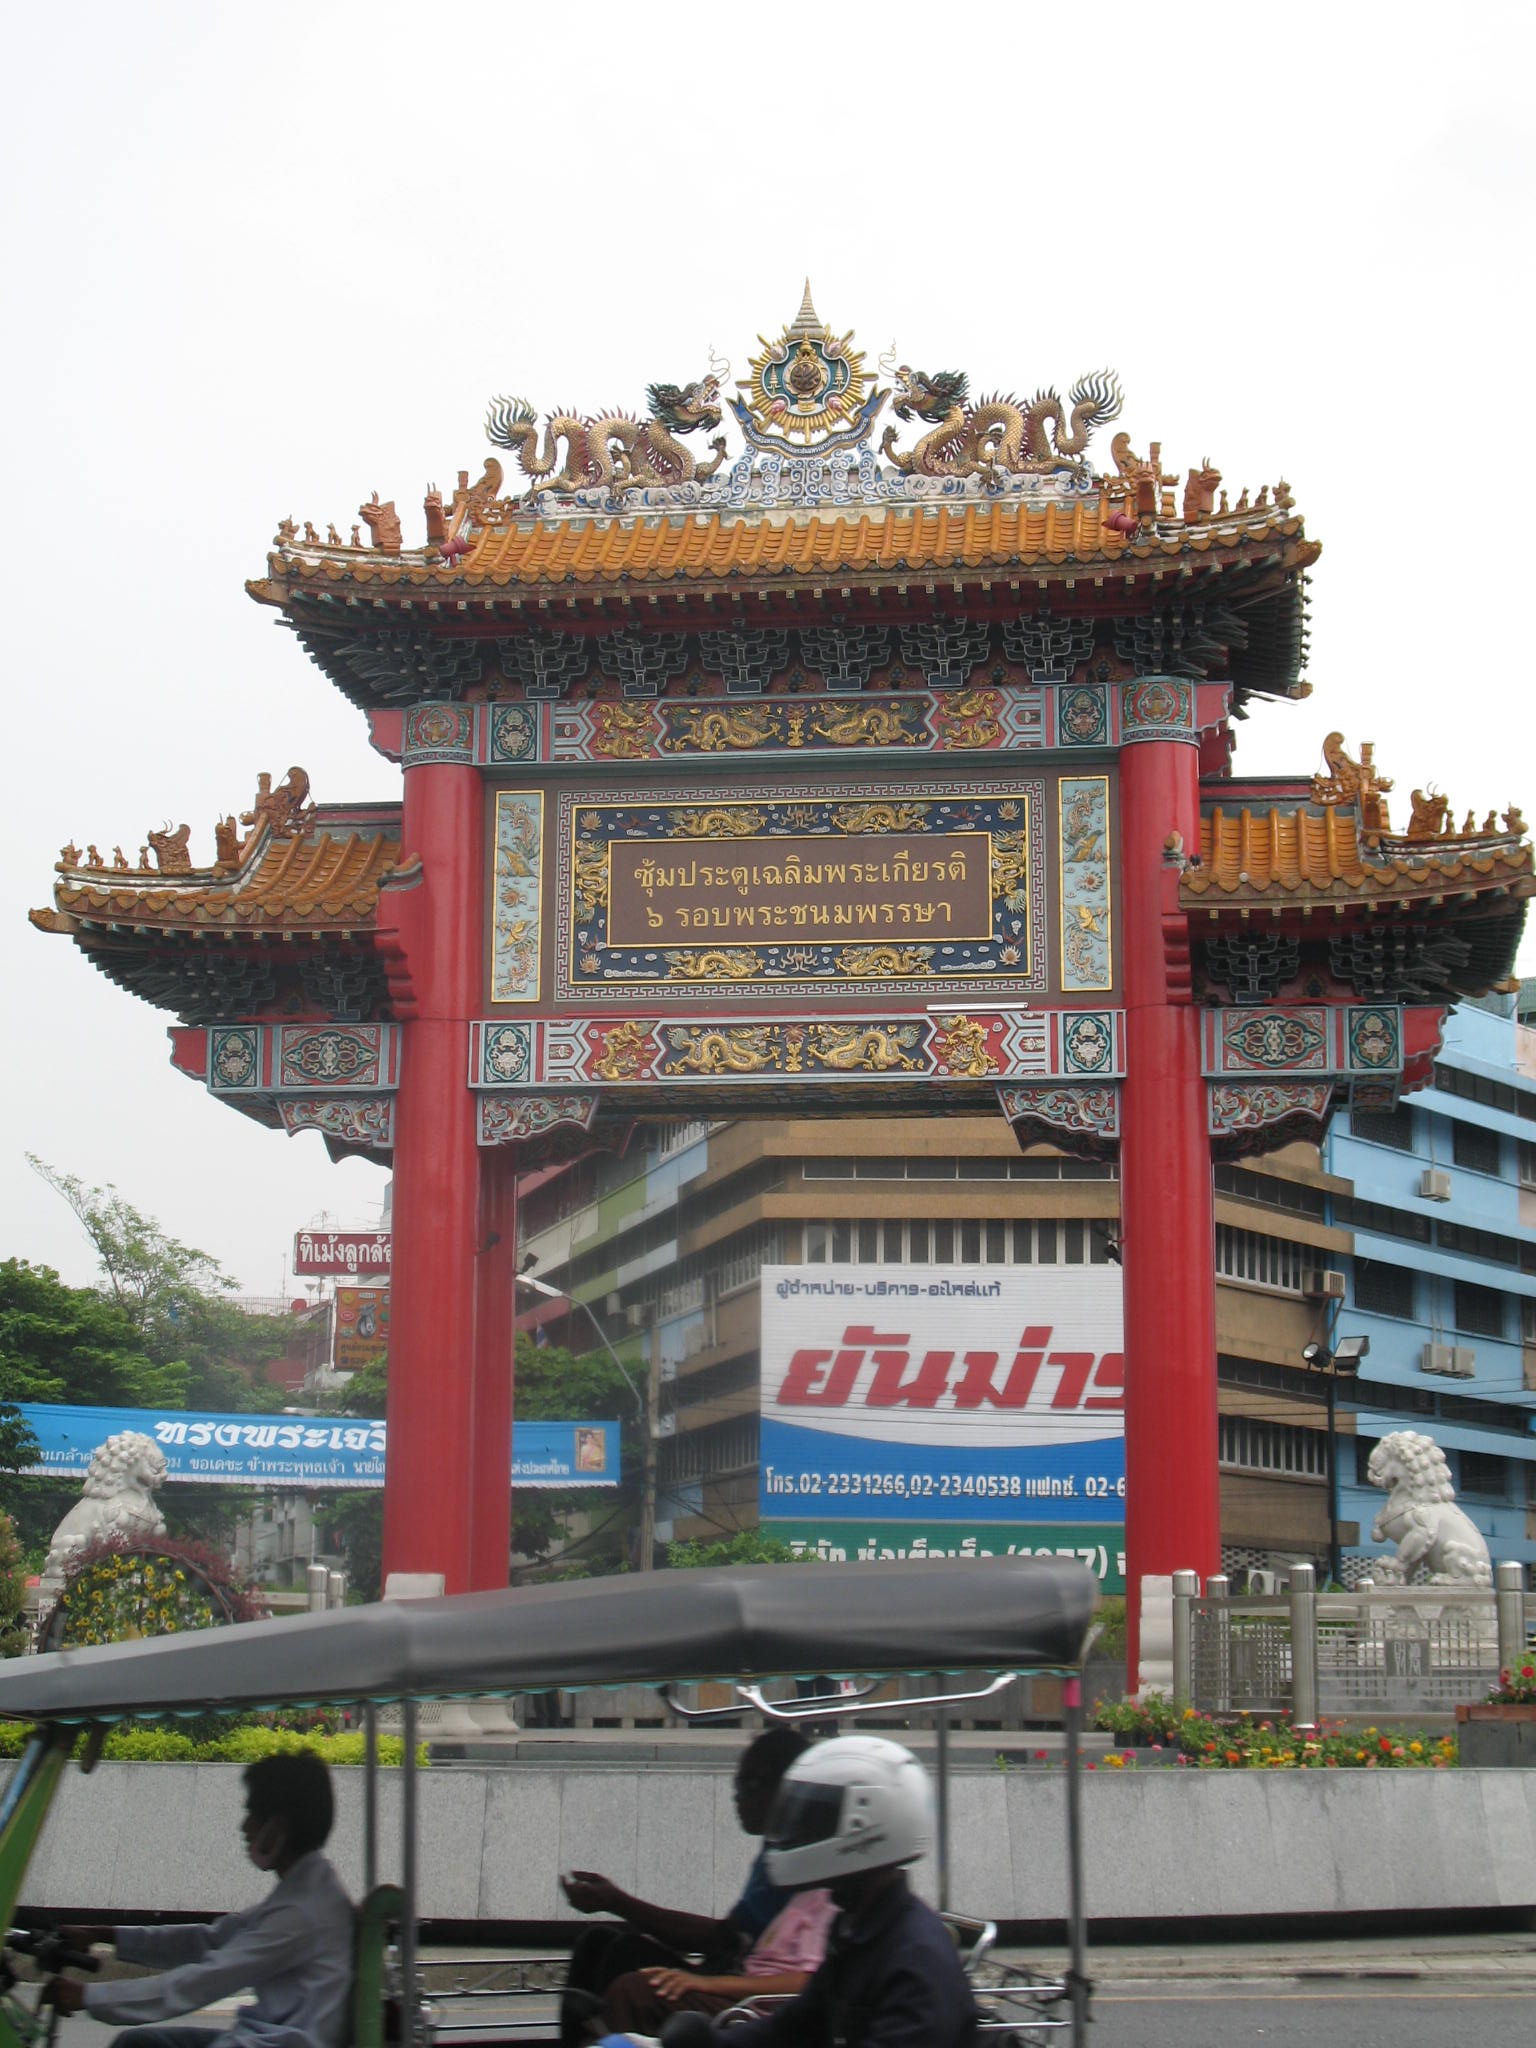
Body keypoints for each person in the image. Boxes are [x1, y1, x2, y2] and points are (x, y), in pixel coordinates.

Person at [680, 1735, 978, 2048]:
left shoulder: (915, 1956)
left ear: (862, 1824)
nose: (800, 1831)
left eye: (816, 1819)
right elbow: (798, 2022)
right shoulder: (856, 1929)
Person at [51, 1751, 354, 2048]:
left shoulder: (301, 1912)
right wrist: (106, 1935)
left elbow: (205, 1980)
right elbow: (211, 1940)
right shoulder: (305, 1889)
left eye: (252, 1816)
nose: (244, 1828)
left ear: (279, 1826)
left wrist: (88, 1996)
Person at [559, 1727, 808, 2048]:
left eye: (749, 1784)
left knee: (635, 1992)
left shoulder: (818, 1878)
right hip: (736, 1978)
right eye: (737, 1784)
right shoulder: (772, 1857)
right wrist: (615, 1901)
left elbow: (814, 1981)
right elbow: (723, 1938)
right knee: (604, 1944)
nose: (737, 1796)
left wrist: (709, 1984)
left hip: (757, 2001)